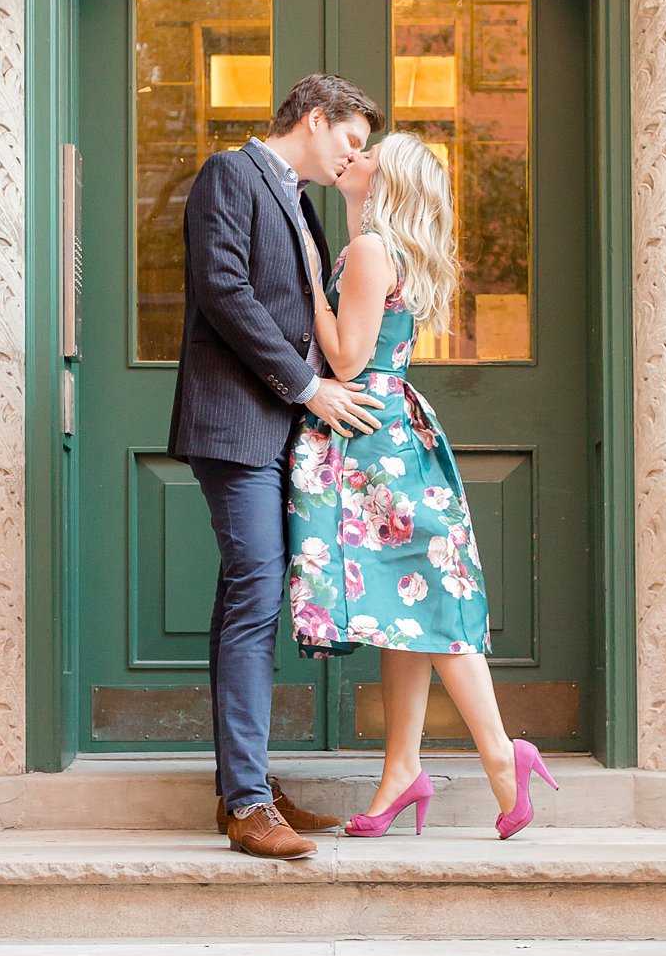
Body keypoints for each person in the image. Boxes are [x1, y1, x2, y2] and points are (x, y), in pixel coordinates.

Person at [288, 131, 558, 840]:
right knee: (403, 609)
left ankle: (503, 757)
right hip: (386, 435)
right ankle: (401, 768)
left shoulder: (373, 250)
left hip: (372, 440)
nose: (357, 153)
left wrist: (313, 283)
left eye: (371, 150)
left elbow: (345, 360)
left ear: (389, 179)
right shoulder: (378, 247)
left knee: (432, 601)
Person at [168, 73, 387, 860]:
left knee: (252, 597)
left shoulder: (301, 200)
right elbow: (223, 291)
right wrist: (308, 389)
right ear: (315, 117)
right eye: (350, 141)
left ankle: (245, 786)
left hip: (275, 431)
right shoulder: (231, 173)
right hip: (232, 424)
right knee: (255, 591)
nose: (352, 156)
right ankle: (249, 802)